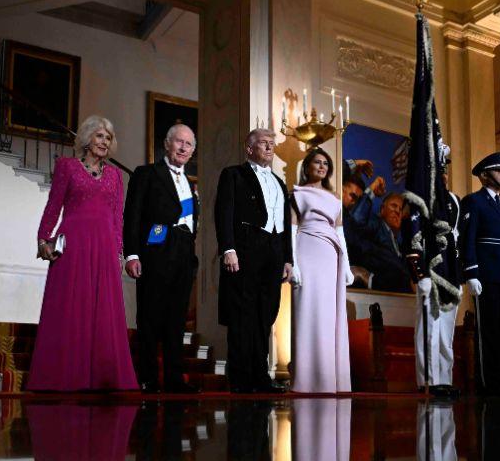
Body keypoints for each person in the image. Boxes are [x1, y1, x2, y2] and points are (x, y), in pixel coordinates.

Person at [27, 115, 137, 391]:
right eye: (100, 136)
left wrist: (118, 253)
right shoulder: (67, 167)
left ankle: (102, 378)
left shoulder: (114, 175)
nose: (104, 142)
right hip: (73, 244)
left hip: (104, 247)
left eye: (108, 137)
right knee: (70, 306)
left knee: (102, 312)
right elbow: (53, 207)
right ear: (87, 138)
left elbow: (117, 218)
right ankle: (64, 376)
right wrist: (43, 240)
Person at [214, 128, 294, 394]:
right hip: (245, 248)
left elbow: (285, 224)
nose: (270, 148)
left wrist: (287, 259)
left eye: (272, 144)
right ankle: (239, 377)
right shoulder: (233, 175)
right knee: (241, 314)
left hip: (273, 252)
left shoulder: (280, 183)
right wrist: (228, 248)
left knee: (265, 315)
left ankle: (260, 376)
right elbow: (223, 213)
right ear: (249, 148)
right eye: (264, 143)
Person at [123, 123, 200, 394]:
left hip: (183, 253)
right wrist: (132, 254)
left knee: (176, 320)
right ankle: (148, 378)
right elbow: (132, 216)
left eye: (188, 144)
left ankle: (174, 379)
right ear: (166, 144)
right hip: (155, 249)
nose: (183, 147)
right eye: (178, 141)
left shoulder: (189, 183)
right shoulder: (147, 173)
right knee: (150, 318)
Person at [290, 148, 352, 394]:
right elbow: (293, 230)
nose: (322, 166)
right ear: (307, 167)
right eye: (317, 162)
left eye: (326, 163)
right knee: (307, 312)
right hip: (306, 251)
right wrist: (293, 263)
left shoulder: (335, 197)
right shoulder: (297, 194)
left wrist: (346, 266)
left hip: (330, 256)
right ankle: (305, 379)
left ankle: (328, 379)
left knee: (329, 316)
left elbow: (340, 233)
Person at [403, 148, 463, 397]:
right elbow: (411, 236)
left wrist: (459, 276)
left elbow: (455, 239)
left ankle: (444, 379)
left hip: (450, 273)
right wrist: (419, 274)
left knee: (446, 332)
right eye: (439, 170)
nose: (444, 174)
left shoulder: (453, 201)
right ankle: (428, 380)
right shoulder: (420, 198)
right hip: (429, 271)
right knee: (429, 329)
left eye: (445, 170)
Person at [460, 152, 500, 397]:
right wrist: (471, 271)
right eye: (498, 169)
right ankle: (488, 383)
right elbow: (468, 238)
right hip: (485, 274)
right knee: (488, 331)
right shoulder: (473, 202)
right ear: (484, 175)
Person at [341, 161, 411, 293]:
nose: (397, 211)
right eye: (393, 206)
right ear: (382, 209)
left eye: (401, 209)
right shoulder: (376, 224)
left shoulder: (399, 245)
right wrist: (372, 190)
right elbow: (356, 221)